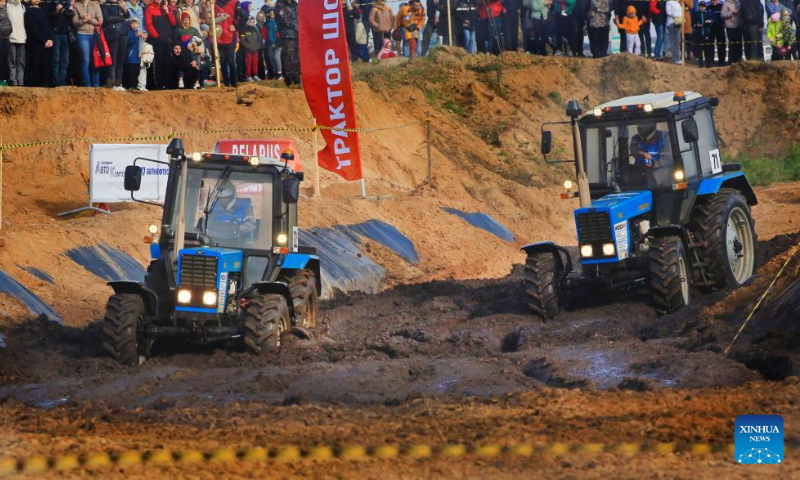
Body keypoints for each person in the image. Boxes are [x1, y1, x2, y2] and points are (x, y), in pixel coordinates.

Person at [626, 122, 673, 190]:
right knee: (627, 177)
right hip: (640, 170)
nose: (646, 141)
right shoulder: (635, 138)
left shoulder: (664, 137)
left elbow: (667, 159)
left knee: (653, 179)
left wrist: (654, 163)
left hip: (658, 169)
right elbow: (633, 150)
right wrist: (643, 154)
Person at [145, 0, 176, 89]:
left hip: (167, 40)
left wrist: (167, 11)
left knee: (167, 62)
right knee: (158, 63)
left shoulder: (165, 8)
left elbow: (173, 23)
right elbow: (149, 25)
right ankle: (158, 85)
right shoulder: (149, 9)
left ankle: (166, 84)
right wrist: (157, 37)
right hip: (157, 40)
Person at [100, 0, 130, 89]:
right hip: (112, 34)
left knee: (121, 59)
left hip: (123, 33)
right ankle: (111, 83)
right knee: (113, 60)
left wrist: (124, 9)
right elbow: (107, 19)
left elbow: (127, 15)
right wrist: (121, 17)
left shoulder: (120, 4)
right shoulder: (104, 5)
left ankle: (118, 83)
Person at [73, 0, 102, 87]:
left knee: (95, 60)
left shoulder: (95, 4)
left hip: (94, 35)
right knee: (86, 60)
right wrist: (84, 20)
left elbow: (100, 21)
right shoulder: (76, 5)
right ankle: (87, 86)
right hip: (82, 35)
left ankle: (96, 85)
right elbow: (74, 22)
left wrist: (90, 20)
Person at [23, 0, 51, 87]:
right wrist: (44, 40)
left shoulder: (43, 10)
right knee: (35, 67)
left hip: (46, 44)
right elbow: (32, 29)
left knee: (45, 67)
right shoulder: (28, 12)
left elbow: (49, 26)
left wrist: (51, 39)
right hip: (35, 44)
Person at [48, 0, 75, 87]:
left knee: (65, 61)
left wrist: (69, 8)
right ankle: (56, 83)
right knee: (55, 60)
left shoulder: (68, 4)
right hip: (55, 34)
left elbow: (71, 15)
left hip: (65, 35)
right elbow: (48, 16)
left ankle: (62, 83)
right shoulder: (52, 4)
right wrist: (57, 11)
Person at [212, 0, 237, 86]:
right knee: (222, 61)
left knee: (231, 61)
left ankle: (234, 82)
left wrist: (236, 26)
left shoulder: (234, 2)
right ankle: (226, 83)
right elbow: (211, 20)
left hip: (230, 37)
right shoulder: (214, 4)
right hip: (219, 38)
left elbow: (243, 17)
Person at [274, 0, 298, 86]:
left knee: (297, 58)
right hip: (287, 36)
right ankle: (289, 79)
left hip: (298, 35)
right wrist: (299, 27)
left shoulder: (295, 4)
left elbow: (302, 17)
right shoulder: (279, 6)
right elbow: (286, 21)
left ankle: (297, 78)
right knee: (289, 57)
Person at [691, 1, 714, 67]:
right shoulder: (696, 14)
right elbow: (692, 23)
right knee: (699, 50)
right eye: (701, 6)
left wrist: (709, 21)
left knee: (707, 50)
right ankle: (700, 64)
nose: (702, 8)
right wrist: (696, 25)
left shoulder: (708, 13)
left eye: (703, 6)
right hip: (698, 35)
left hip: (706, 34)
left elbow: (712, 21)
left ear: (705, 7)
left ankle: (708, 64)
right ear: (699, 6)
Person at [7, 0, 24, 86]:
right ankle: (13, 81)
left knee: (21, 62)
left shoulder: (23, 6)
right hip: (11, 38)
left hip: (22, 38)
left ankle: (20, 82)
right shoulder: (7, 5)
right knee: (12, 61)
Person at [123, 16, 142, 88]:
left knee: (136, 72)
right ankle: (129, 86)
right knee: (130, 73)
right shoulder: (128, 32)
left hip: (137, 57)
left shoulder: (138, 31)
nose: (134, 24)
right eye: (132, 23)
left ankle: (134, 86)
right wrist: (135, 36)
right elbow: (128, 42)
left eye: (136, 23)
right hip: (130, 58)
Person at [240, 15, 260, 81]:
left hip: (255, 50)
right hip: (248, 50)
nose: (252, 23)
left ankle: (255, 75)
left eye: (253, 22)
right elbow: (242, 40)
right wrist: (248, 46)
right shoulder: (244, 30)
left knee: (255, 63)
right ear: (248, 22)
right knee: (248, 63)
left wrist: (257, 46)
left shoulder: (255, 29)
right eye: (251, 22)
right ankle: (248, 76)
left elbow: (258, 39)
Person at [263, 6, 280, 79]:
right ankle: (275, 73)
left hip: (277, 43)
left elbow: (281, 32)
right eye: (270, 13)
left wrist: (280, 40)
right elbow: (263, 33)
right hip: (269, 43)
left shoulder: (279, 22)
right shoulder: (266, 23)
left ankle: (280, 73)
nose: (272, 14)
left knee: (276, 58)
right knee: (271, 59)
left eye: (273, 13)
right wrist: (264, 40)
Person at [707, 0, 725, 65]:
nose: (714, 1)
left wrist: (724, 23)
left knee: (721, 44)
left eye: (715, 0)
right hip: (711, 28)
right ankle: (711, 61)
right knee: (710, 45)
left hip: (720, 27)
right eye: (712, 0)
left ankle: (721, 61)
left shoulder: (722, 4)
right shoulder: (707, 5)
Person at [0, 0, 11, 86]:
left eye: (4, 1)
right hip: (1, 38)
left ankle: (4, 79)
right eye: (1, 1)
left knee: (5, 59)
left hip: (6, 38)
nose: (3, 3)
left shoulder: (5, 10)